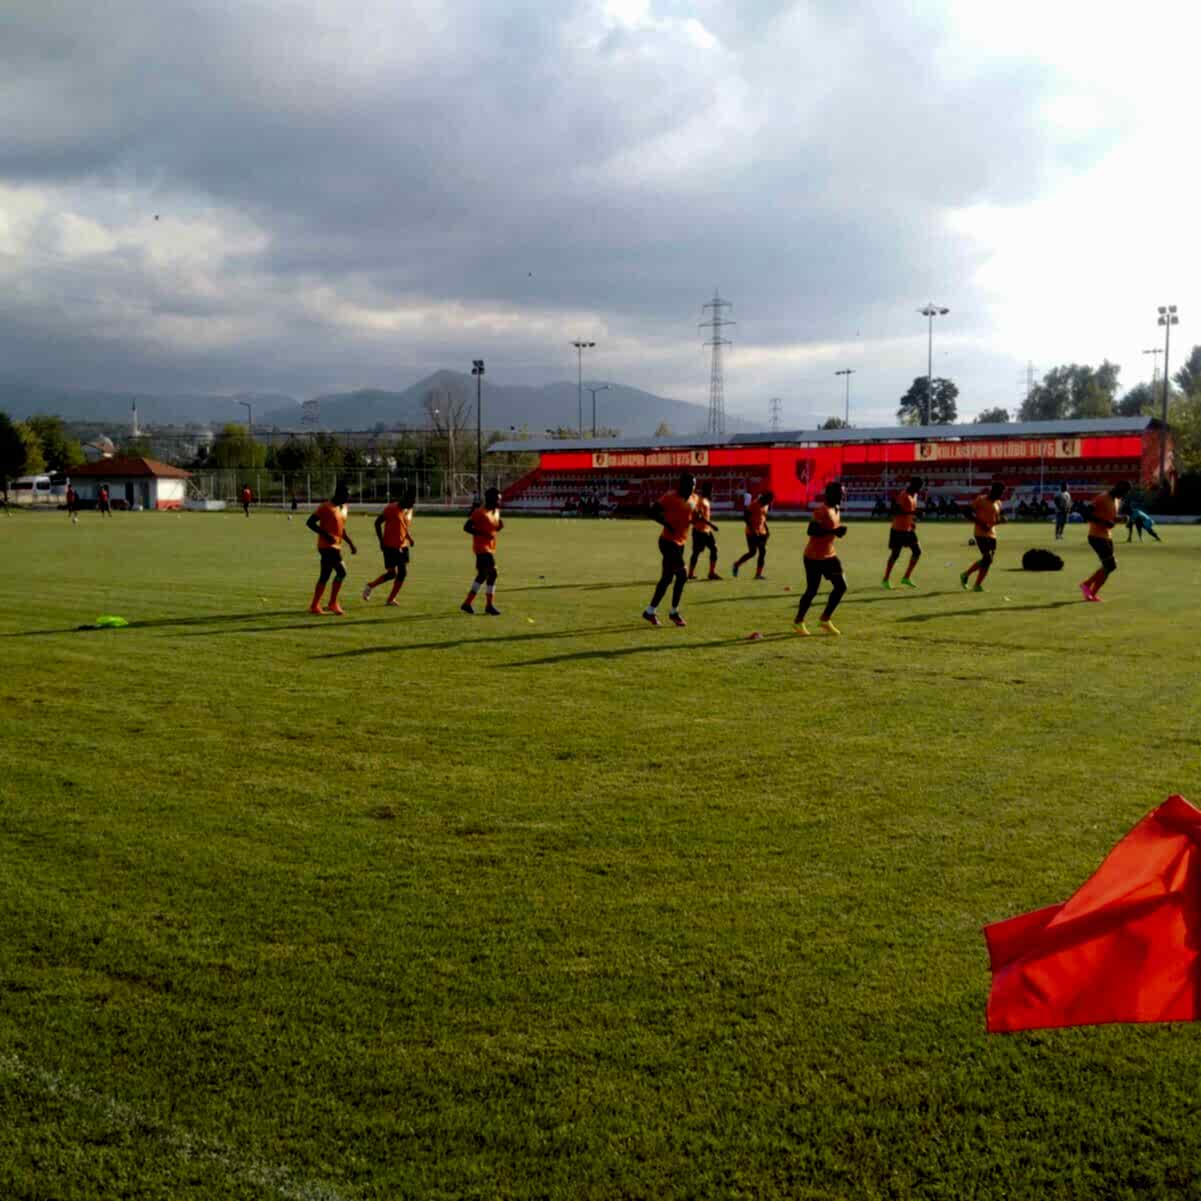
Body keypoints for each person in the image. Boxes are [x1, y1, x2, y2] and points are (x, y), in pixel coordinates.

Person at [642, 472, 697, 627]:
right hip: (668, 542)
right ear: (682, 485)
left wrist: (695, 519)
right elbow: (652, 512)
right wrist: (666, 524)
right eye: (690, 484)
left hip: (680, 543)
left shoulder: (693, 498)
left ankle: (650, 611)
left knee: (666, 579)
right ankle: (674, 612)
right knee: (682, 575)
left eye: (694, 485)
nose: (692, 487)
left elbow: (691, 515)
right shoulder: (670, 496)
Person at [794, 482, 848, 636]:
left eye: (843, 493)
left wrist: (835, 532)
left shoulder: (836, 508)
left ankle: (825, 619)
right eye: (840, 493)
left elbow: (830, 530)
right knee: (812, 591)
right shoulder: (821, 510)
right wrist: (834, 531)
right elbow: (811, 530)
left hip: (830, 555)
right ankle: (798, 622)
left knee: (841, 586)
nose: (842, 496)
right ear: (830, 494)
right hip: (814, 557)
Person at [305, 482, 357, 614]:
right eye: (346, 495)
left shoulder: (344, 508)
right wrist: (326, 534)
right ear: (338, 494)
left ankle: (314, 605)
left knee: (325, 575)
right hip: (327, 546)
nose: (348, 498)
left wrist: (350, 543)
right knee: (342, 572)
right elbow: (310, 522)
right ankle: (332, 603)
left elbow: (341, 528)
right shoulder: (326, 507)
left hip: (336, 546)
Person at [362, 486, 416, 605]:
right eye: (411, 502)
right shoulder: (391, 508)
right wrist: (381, 541)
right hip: (390, 546)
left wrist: (409, 538)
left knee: (402, 573)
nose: (412, 505)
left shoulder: (408, 510)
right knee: (392, 574)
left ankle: (390, 599)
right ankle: (370, 586)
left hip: (403, 545)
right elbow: (377, 523)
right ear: (405, 498)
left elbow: (403, 526)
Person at [1080, 481, 1132, 601]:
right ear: (1117, 487)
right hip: (1096, 536)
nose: (1123, 495)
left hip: (1107, 536)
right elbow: (1086, 513)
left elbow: (1110, 518)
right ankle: (1086, 585)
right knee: (1111, 565)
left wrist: (1121, 519)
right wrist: (1104, 522)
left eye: (1125, 493)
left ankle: (1091, 594)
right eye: (1123, 492)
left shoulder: (1117, 501)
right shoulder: (1102, 498)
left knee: (1109, 567)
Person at [462, 487, 504, 615]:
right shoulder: (479, 512)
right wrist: (482, 534)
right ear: (491, 499)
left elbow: (494, 528)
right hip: (481, 548)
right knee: (493, 573)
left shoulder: (496, 511)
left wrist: (499, 527)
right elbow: (466, 527)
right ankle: (489, 606)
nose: (499, 501)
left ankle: (467, 603)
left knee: (483, 575)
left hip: (491, 547)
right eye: (498, 499)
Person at [960, 482, 1006, 592]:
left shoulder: (998, 503)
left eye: (1002, 493)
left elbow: (997, 518)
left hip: (992, 534)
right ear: (993, 491)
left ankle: (977, 585)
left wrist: (1001, 520)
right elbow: (966, 512)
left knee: (988, 561)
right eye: (1000, 492)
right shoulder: (981, 500)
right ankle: (966, 574)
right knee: (987, 558)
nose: (1001, 495)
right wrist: (981, 524)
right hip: (980, 533)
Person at [882, 476, 923, 589]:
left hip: (908, 529)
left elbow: (910, 511)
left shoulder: (915, 495)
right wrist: (913, 513)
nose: (919, 489)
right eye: (918, 487)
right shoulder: (903, 495)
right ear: (912, 485)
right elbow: (896, 511)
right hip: (898, 529)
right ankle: (885, 579)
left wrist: (912, 521)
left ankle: (906, 577)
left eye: (920, 487)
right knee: (895, 554)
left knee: (917, 551)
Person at [732, 491, 773, 579]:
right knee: (759, 551)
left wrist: (767, 529)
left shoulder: (766, 505)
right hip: (751, 533)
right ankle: (756, 574)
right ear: (765, 498)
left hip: (762, 532)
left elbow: (763, 518)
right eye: (769, 500)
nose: (769, 503)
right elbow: (745, 517)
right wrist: (752, 529)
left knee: (755, 552)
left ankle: (738, 565)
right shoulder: (754, 504)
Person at [687, 480, 721, 580]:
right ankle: (692, 573)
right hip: (700, 531)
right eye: (711, 490)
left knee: (712, 549)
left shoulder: (705, 500)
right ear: (707, 490)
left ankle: (710, 573)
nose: (712, 491)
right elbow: (699, 516)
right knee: (697, 552)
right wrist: (712, 525)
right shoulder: (701, 501)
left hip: (706, 530)